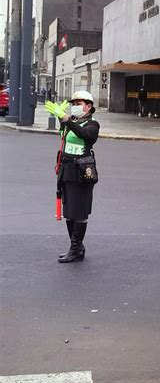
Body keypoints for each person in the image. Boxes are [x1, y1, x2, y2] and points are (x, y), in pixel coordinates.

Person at [45, 90, 100, 263]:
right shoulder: (73, 122)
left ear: (88, 106)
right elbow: (65, 136)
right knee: (69, 211)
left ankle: (76, 248)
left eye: (78, 104)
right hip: (66, 170)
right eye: (73, 104)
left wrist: (67, 119)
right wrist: (62, 120)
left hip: (82, 172)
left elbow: (84, 136)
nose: (74, 107)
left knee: (80, 211)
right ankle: (76, 247)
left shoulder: (93, 125)